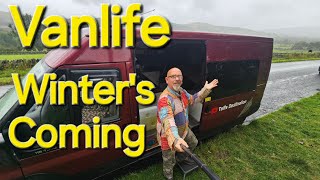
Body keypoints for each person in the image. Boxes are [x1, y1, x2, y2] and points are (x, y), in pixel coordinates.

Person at [157, 67, 219, 180]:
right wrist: (175, 139)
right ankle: (168, 176)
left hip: (184, 130)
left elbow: (193, 99)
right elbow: (167, 121)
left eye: (179, 76)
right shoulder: (164, 99)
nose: (177, 79)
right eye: (173, 76)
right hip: (168, 136)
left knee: (193, 142)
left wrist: (205, 89)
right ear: (166, 80)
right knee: (168, 160)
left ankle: (180, 159)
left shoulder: (182, 91)